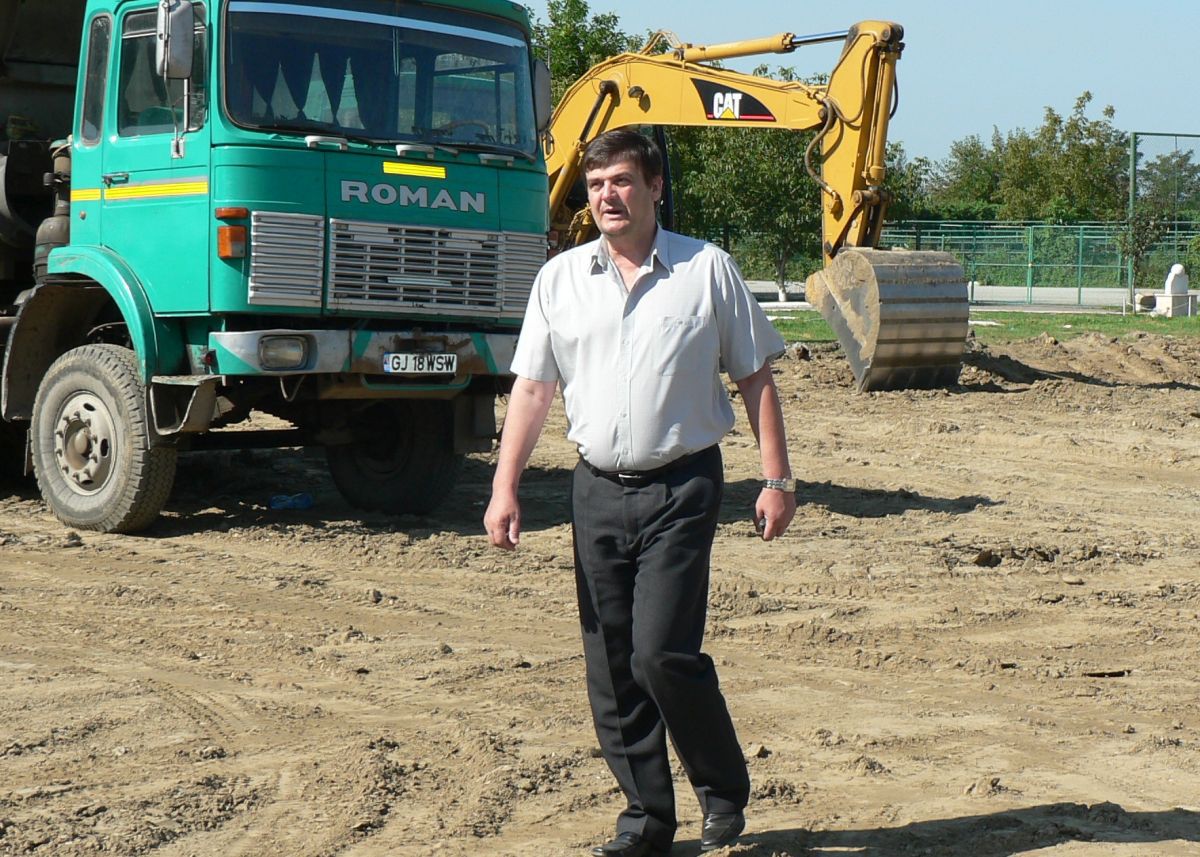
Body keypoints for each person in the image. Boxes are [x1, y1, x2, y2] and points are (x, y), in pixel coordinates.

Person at [484, 129, 797, 857]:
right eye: (596, 185)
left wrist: (777, 479)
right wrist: (505, 486)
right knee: (611, 663)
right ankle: (646, 822)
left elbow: (755, 376)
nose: (607, 196)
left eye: (621, 181)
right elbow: (532, 390)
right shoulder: (560, 279)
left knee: (659, 653)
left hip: (682, 484)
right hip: (595, 489)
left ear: (655, 187)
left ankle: (722, 789)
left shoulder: (706, 269)